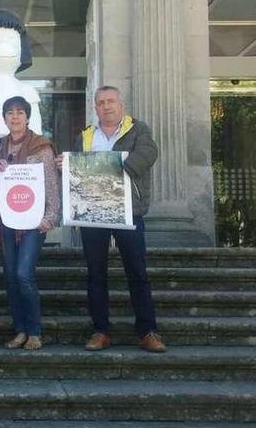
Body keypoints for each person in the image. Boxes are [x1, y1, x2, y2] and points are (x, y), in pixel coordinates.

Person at [57, 85, 166, 353]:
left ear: (121, 105)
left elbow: (148, 154)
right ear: (95, 108)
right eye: (101, 102)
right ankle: (100, 331)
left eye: (111, 101)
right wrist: (66, 165)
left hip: (129, 210)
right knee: (96, 274)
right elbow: (78, 170)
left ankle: (147, 331)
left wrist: (115, 168)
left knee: (137, 272)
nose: (106, 106)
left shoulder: (138, 129)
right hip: (93, 213)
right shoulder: (85, 136)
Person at [0, 96, 59, 351]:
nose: (15, 117)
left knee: (23, 273)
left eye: (20, 112)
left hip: (34, 222)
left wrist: (51, 216)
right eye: (10, 113)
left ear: (28, 117)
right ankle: (19, 330)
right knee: (10, 276)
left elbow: (51, 183)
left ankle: (34, 332)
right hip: (6, 220)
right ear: (5, 118)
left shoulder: (42, 146)